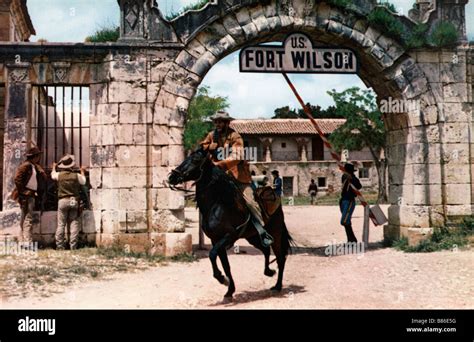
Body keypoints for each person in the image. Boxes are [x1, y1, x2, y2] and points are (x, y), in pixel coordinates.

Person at [201, 110, 273, 247]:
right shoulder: (211, 135)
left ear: (227, 123)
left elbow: (237, 156)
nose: (218, 124)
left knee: (250, 201)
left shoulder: (235, 136)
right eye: (216, 121)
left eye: (220, 121)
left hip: (239, 177)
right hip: (219, 178)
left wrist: (219, 164)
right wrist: (210, 146)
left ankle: (262, 230)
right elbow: (202, 147)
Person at [13, 147, 47, 246]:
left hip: (30, 194)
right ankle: (27, 241)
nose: (39, 158)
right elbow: (17, 179)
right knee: (28, 218)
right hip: (27, 195)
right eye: (38, 156)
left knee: (24, 217)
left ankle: (22, 240)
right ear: (34, 157)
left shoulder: (33, 166)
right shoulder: (26, 166)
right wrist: (24, 191)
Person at [51, 154, 87, 250]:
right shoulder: (76, 175)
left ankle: (59, 245)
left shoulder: (59, 175)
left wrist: (54, 167)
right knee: (74, 222)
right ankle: (73, 245)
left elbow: (52, 175)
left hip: (62, 200)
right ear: (72, 165)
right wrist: (82, 171)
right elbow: (83, 182)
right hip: (73, 200)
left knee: (61, 224)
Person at [340, 163, 362, 243]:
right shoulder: (345, 176)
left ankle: (353, 239)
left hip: (349, 200)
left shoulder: (353, 178)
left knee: (344, 221)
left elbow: (359, 186)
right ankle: (351, 240)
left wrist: (352, 179)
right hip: (343, 200)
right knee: (347, 221)